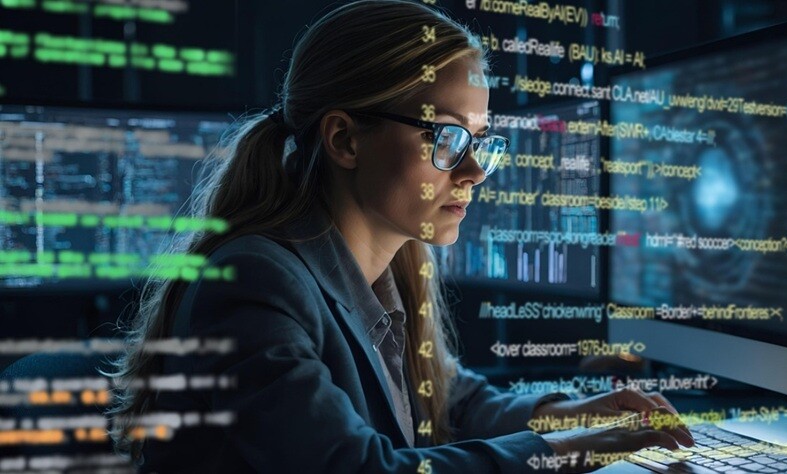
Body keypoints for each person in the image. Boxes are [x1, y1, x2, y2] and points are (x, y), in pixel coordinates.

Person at [103, 1, 694, 472]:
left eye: (481, 143)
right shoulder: (255, 282)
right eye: (446, 138)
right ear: (345, 140)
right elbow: (357, 467)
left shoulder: (387, 266)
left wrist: (568, 415)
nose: (471, 174)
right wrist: (578, 451)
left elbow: (450, 403)